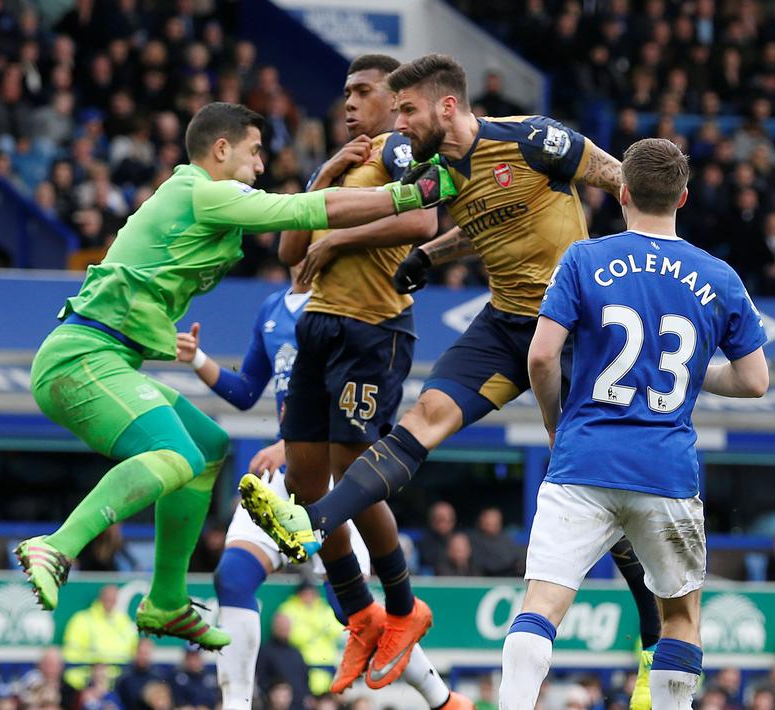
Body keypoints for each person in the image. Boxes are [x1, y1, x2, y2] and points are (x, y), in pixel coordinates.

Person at [239, 53, 664, 697]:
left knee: (601, 486)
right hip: (506, 326)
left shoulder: (533, 138)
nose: (398, 123)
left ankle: (654, 638)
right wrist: (427, 254)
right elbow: (448, 214)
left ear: (445, 106)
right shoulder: (439, 171)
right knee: (423, 419)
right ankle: (317, 521)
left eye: (406, 110)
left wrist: (636, 268)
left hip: (579, 330)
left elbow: (622, 179)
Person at [14, 101, 453, 648]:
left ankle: (168, 601)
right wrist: (407, 194)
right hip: (80, 359)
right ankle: (58, 546)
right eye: (254, 153)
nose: (261, 167)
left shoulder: (197, 198)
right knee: (173, 457)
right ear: (221, 150)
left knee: (209, 445)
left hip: (104, 357)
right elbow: (301, 211)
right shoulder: (204, 191)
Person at [495, 138, 769, 710]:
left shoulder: (584, 259)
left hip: (583, 460)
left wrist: (556, 425)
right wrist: (695, 376)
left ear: (621, 192)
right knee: (680, 616)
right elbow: (754, 381)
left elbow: (542, 357)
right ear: (684, 197)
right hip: (665, 470)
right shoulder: (717, 276)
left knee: (540, 605)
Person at [274, 54, 463, 696]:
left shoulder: (402, 150)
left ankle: (406, 608)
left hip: (372, 329)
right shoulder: (349, 158)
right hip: (320, 325)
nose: (349, 102)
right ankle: (360, 614)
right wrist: (322, 177)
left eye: (363, 91)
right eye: (346, 92)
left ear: (395, 97)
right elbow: (288, 249)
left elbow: (422, 222)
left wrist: (338, 238)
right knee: (303, 483)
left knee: (356, 470)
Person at [175, 276, 453, 708]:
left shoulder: (345, 300)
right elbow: (247, 391)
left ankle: (441, 699)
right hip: (280, 478)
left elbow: (347, 402)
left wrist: (288, 443)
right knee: (232, 577)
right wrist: (197, 360)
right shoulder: (272, 307)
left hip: (330, 478)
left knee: (350, 608)